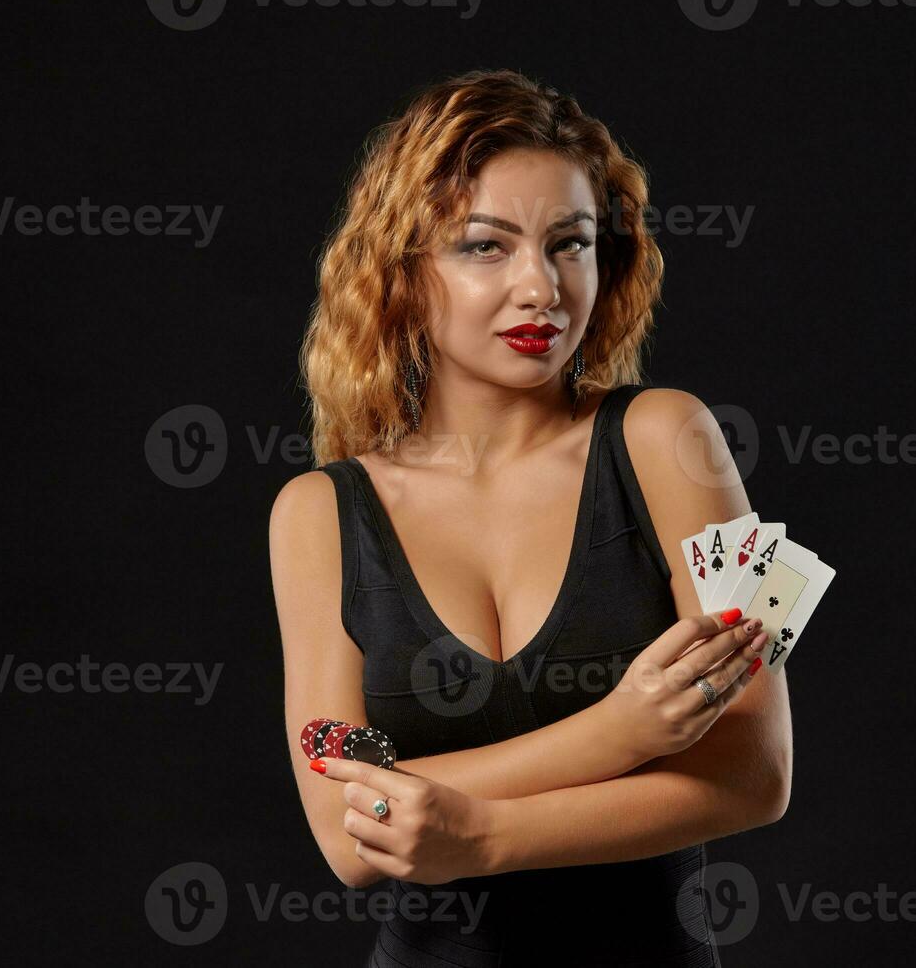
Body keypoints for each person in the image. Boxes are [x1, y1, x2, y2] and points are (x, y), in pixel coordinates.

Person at [269, 68, 792, 967]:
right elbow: (347, 835)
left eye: (569, 243)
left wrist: (477, 838)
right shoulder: (316, 513)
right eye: (485, 246)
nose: (541, 287)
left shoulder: (676, 441)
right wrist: (615, 734)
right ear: (402, 270)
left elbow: (756, 774)